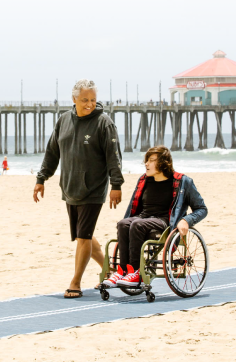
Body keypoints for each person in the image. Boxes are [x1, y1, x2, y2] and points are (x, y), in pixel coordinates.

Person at [33, 79, 124, 299]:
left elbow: (114, 156)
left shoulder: (104, 123)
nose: (89, 104)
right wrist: (41, 178)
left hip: (94, 188)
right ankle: (110, 270)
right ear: (74, 99)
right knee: (83, 235)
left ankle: (75, 283)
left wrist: (116, 185)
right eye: (84, 100)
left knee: (83, 236)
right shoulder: (63, 120)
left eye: (93, 99)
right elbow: (52, 151)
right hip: (70, 188)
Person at [103, 146, 207, 288]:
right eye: (147, 160)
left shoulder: (182, 182)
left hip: (164, 221)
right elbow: (134, 210)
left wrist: (186, 220)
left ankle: (135, 273)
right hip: (143, 217)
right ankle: (123, 271)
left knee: (137, 225)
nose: (146, 164)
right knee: (123, 223)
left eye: (151, 160)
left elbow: (201, 209)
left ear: (164, 163)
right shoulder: (144, 180)